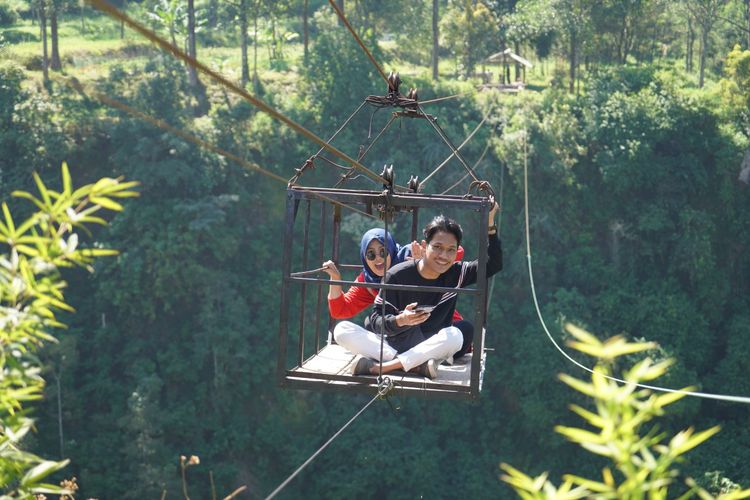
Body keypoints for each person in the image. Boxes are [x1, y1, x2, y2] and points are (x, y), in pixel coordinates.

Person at [337, 203, 502, 379]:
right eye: (437, 247)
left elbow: (493, 264)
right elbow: (377, 320)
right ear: (425, 245)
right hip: (397, 343)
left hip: (430, 343)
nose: (443, 256)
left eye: (450, 250)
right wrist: (401, 320)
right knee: (342, 330)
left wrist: (490, 223)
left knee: (457, 334)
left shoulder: (456, 273)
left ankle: (380, 368)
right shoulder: (397, 275)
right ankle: (416, 366)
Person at [322, 229, 471, 358]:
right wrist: (335, 278)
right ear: (364, 258)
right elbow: (340, 310)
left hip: (435, 328)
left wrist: (425, 263)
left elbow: (458, 251)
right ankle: (410, 360)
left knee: (463, 331)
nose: (378, 258)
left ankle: (396, 359)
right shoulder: (368, 281)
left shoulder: (410, 259)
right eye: (371, 255)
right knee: (345, 329)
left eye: (383, 251)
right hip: (400, 334)